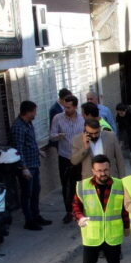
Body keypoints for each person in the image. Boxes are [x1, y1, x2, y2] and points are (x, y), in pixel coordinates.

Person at [74, 155, 126, 263]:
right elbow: (76, 207)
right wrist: (80, 218)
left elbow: (125, 208)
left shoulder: (119, 185)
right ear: (93, 171)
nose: (103, 173)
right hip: (92, 234)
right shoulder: (83, 186)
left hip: (112, 233)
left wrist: (128, 227)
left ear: (109, 169)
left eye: (105, 170)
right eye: (99, 171)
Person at [10, 101, 50, 231]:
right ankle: (29, 220)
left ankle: (36, 215)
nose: (35, 114)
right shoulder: (18, 127)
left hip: (34, 163)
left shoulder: (28, 124)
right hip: (27, 167)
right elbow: (18, 149)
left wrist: (38, 151)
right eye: (34, 111)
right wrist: (23, 168)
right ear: (27, 112)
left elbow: (30, 142)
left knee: (35, 192)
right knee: (27, 193)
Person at [49, 95, 84, 223]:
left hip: (80, 157)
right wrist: (58, 136)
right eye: (64, 107)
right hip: (64, 156)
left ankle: (80, 209)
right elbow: (51, 136)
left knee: (79, 184)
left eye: (68, 107)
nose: (66, 110)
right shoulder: (58, 118)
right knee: (66, 185)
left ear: (75, 107)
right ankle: (69, 211)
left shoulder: (82, 119)